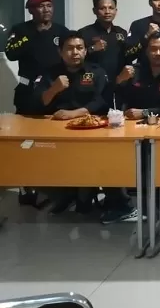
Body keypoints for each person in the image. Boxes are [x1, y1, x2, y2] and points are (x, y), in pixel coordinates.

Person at [107, 33, 160, 224]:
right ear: (146, 51)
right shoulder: (133, 71)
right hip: (128, 130)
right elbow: (112, 96)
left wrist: (145, 112)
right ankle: (120, 204)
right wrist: (119, 80)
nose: (158, 53)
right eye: (153, 49)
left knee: (159, 159)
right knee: (108, 156)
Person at [32, 32, 109, 214]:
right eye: (70, 48)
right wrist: (54, 89)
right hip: (55, 131)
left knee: (89, 160)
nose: (75, 52)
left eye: (79, 48)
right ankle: (63, 196)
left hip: (89, 129)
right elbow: (37, 102)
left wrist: (74, 114)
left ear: (85, 51)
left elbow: (102, 101)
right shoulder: (49, 73)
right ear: (60, 52)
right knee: (35, 159)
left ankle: (83, 196)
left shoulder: (97, 72)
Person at [5, 0, 70, 206]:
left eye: (49, 5)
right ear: (32, 10)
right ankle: (27, 186)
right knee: (27, 141)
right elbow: (11, 53)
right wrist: (34, 33)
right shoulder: (21, 30)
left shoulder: (62, 31)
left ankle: (56, 186)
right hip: (28, 92)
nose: (46, 10)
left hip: (55, 91)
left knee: (54, 140)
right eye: (40, 6)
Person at [78, 0, 128, 100]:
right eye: (102, 8)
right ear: (94, 11)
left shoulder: (122, 33)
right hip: (92, 84)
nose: (107, 12)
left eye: (111, 8)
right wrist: (92, 49)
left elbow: (127, 57)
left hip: (118, 84)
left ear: (116, 11)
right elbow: (75, 59)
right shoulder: (84, 33)